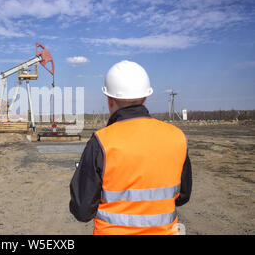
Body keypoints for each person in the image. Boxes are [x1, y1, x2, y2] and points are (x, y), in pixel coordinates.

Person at [69, 60, 192, 235]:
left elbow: (82, 210)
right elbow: (182, 197)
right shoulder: (177, 137)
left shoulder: (101, 142)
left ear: (109, 99)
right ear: (145, 97)